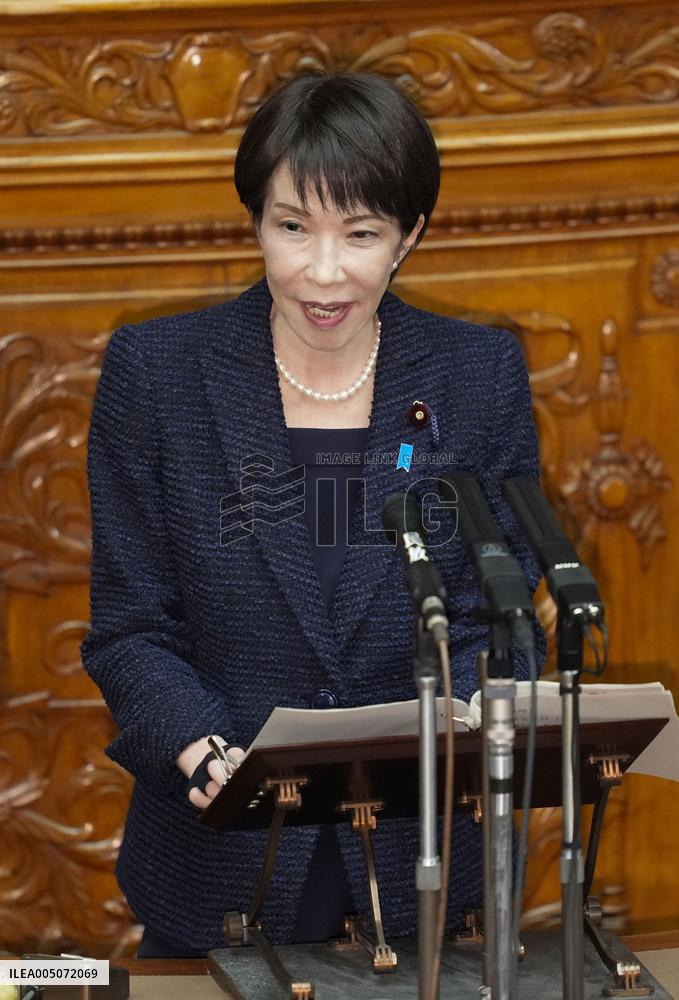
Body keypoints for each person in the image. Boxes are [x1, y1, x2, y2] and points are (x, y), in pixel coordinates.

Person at [81, 71, 545, 959]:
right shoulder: (157, 374)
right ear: (255, 219)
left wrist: (466, 712)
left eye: (360, 233)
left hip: (425, 859)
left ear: (409, 234)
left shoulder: (477, 376)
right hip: (222, 848)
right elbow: (131, 628)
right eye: (292, 226)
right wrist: (200, 748)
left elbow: (504, 612)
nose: (322, 272)